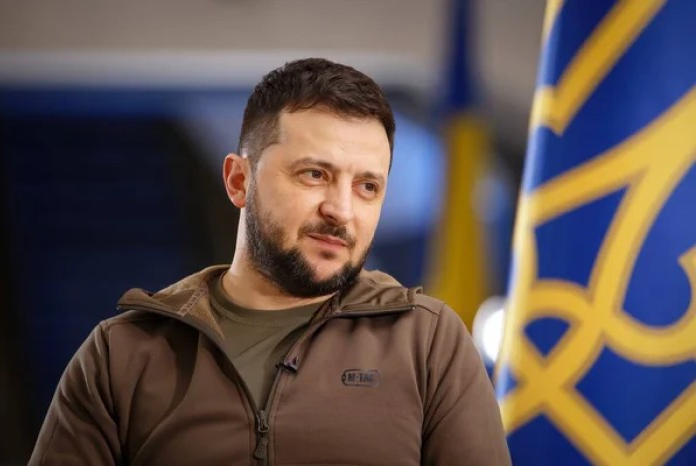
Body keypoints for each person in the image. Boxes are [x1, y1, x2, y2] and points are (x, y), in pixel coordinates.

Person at [29, 58, 510, 466]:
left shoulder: (428, 343)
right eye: (314, 174)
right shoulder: (122, 354)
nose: (341, 210)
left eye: (367, 186)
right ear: (239, 181)